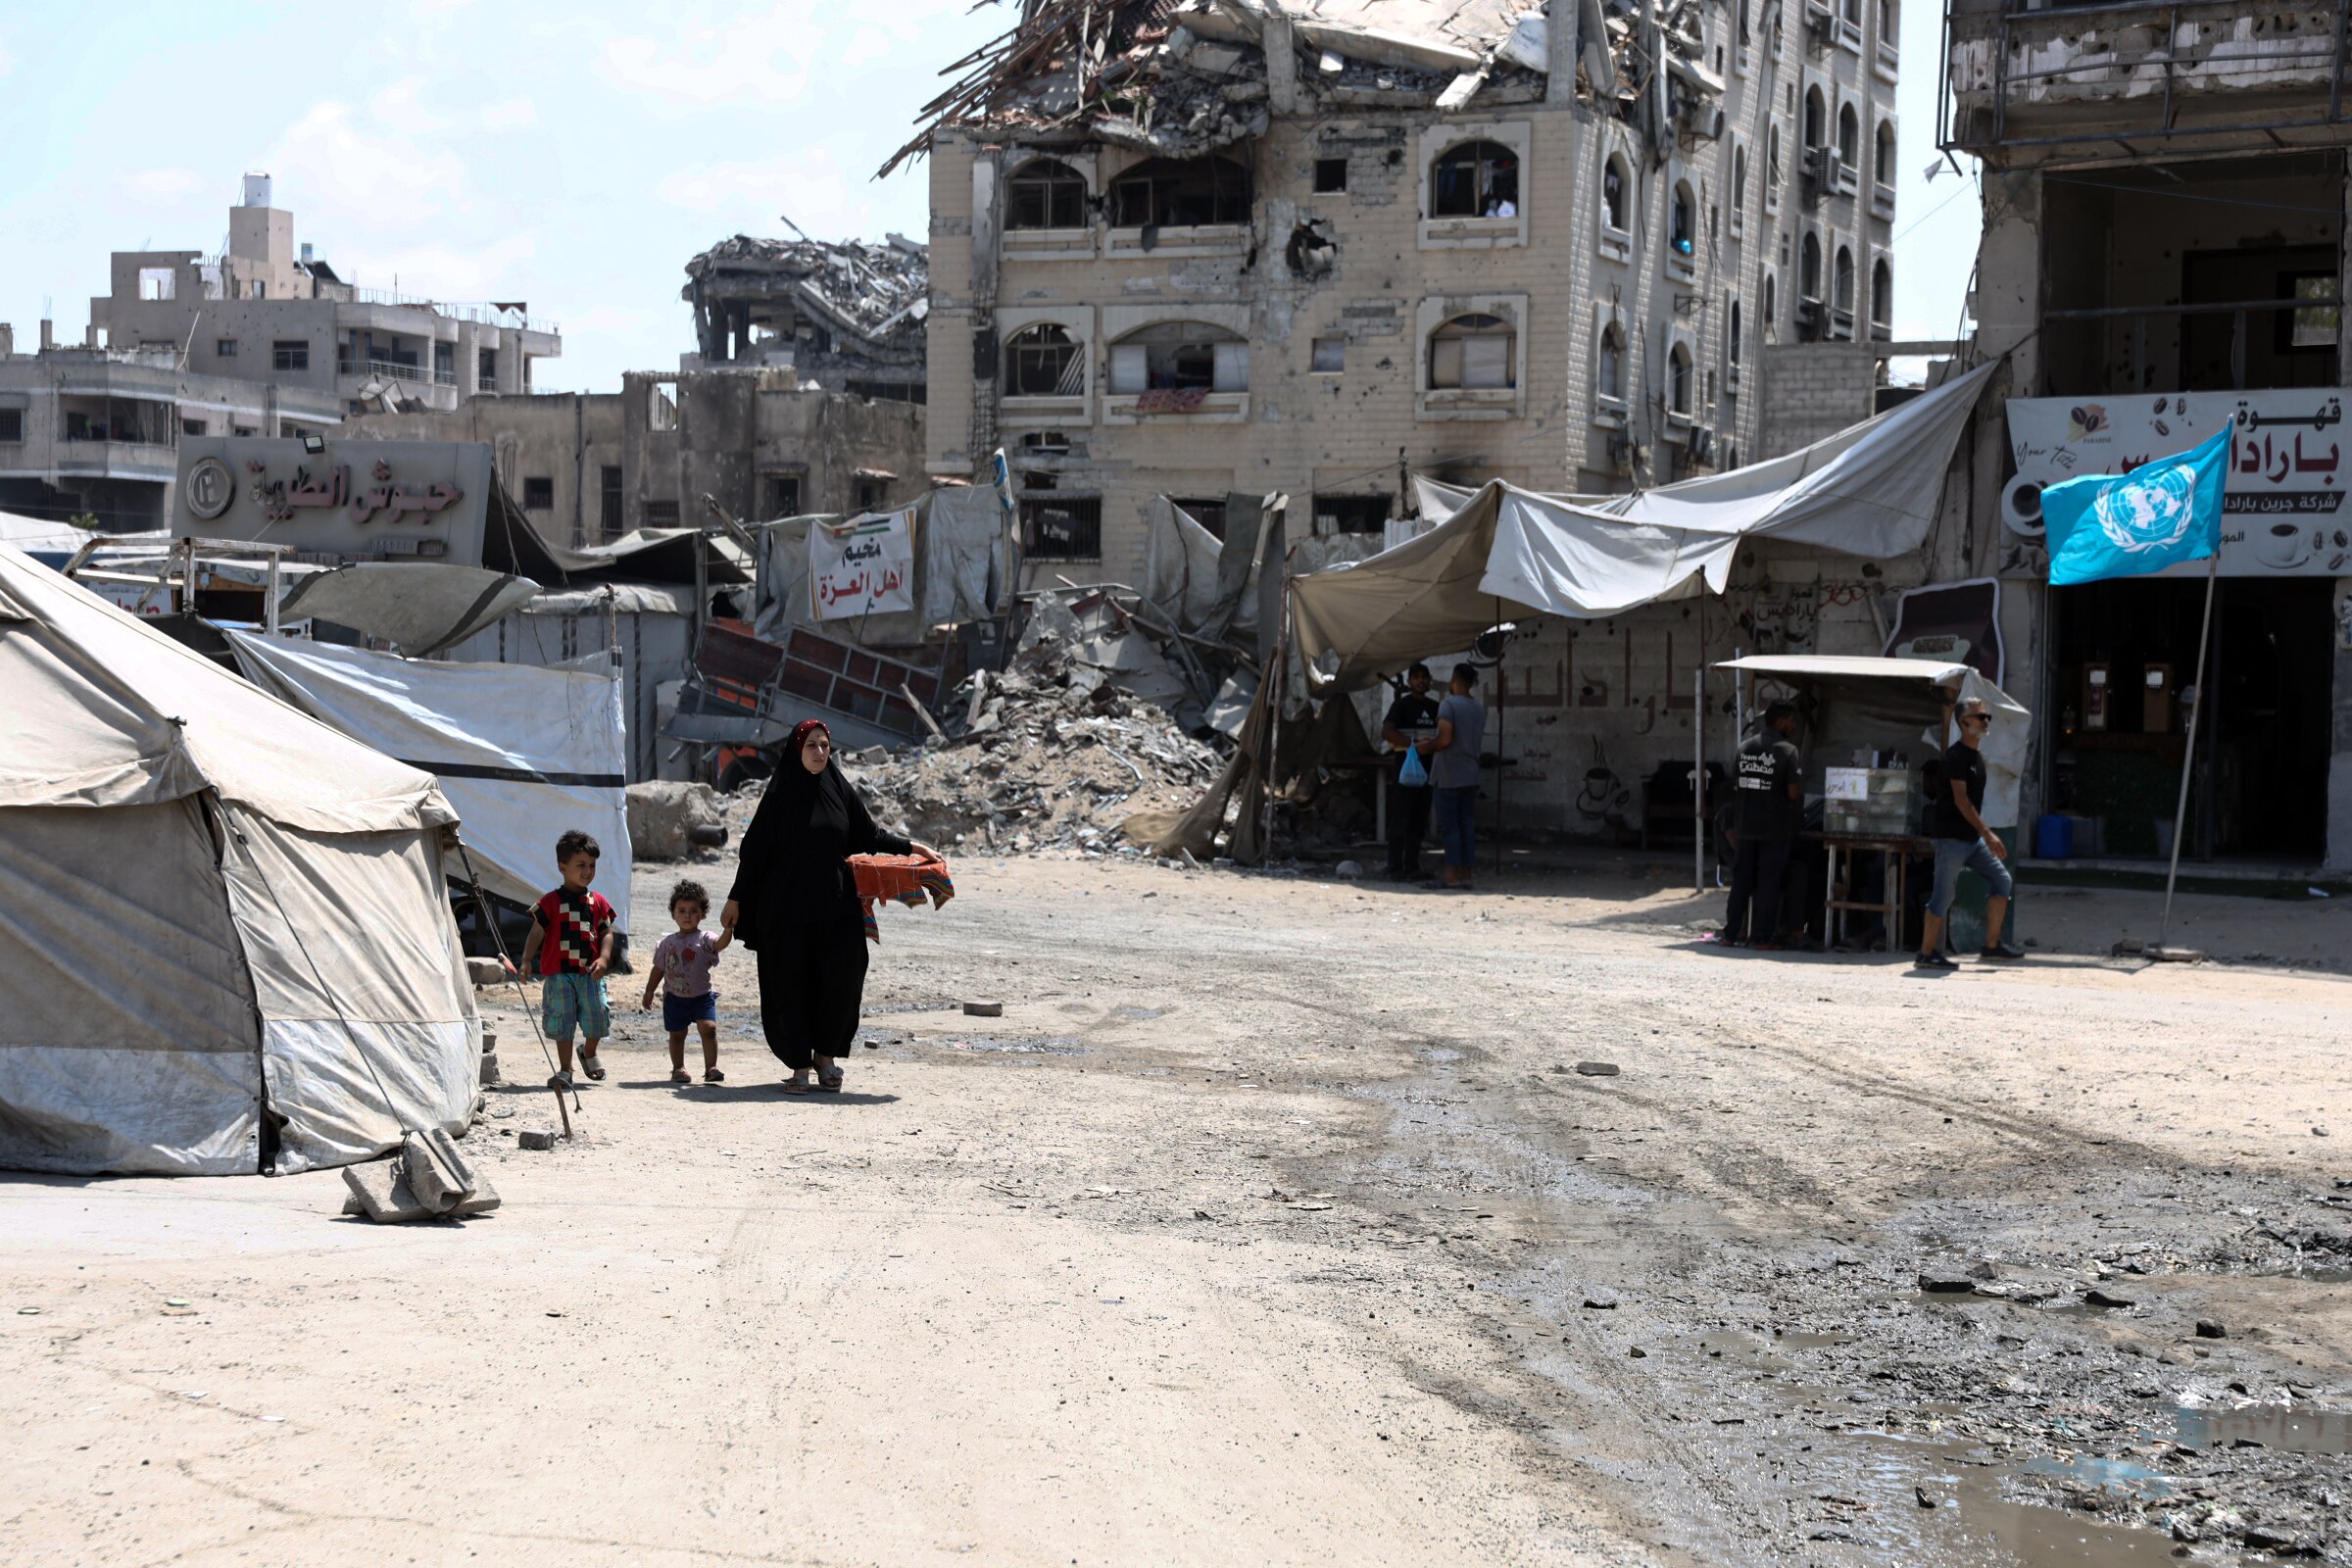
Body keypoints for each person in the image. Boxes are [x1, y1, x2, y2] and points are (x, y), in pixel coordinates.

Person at [722, 719, 939, 1094]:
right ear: (797, 749)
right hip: (786, 911)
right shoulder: (780, 795)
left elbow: (868, 833)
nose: (820, 752)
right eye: (812, 745)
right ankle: (799, 1066)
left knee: (844, 976)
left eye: (825, 745)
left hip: (836, 906)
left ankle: (825, 1057)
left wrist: (912, 847)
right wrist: (736, 898)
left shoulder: (837, 786)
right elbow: (754, 854)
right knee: (790, 984)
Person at [1916, 696, 2024, 969]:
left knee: (2002, 880)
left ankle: (1991, 946)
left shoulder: (1976, 757)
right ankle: (1926, 954)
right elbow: (1961, 800)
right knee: (1943, 896)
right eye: (1980, 717)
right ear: (1964, 723)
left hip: (1971, 840)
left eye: (1987, 717)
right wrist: (1988, 833)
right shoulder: (1955, 757)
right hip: (1951, 839)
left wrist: (1981, 835)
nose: (1986, 721)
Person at [516, 829, 616, 1084]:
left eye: (592, 865)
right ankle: (566, 1069)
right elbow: (536, 932)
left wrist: (604, 958)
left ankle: (589, 1051)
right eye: (581, 865)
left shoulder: (598, 902)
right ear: (562, 867)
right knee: (563, 1021)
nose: (588, 871)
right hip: (559, 974)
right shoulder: (550, 901)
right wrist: (526, 960)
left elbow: (606, 933)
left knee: (598, 1018)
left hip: (590, 974)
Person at [1724, 701, 1802, 949]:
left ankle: (1729, 934)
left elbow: (1737, 785)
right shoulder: (1788, 751)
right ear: (1780, 722)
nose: (1794, 726)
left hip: (1745, 827)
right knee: (1768, 883)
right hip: (1774, 830)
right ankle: (1761, 938)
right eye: (1791, 721)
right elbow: (1793, 793)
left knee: (1741, 882)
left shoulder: (1744, 747)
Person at [641, 878, 730, 1084]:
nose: (687, 916)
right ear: (673, 914)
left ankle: (711, 1068)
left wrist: (728, 930)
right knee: (677, 1034)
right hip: (675, 998)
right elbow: (658, 969)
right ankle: (678, 1068)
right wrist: (649, 991)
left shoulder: (705, 938)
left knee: (709, 1028)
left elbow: (720, 944)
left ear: (702, 914)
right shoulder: (667, 943)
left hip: (702, 997)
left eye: (693, 911)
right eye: (682, 911)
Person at [1419, 662, 1486, 890]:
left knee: (1450, 827)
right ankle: (1466, 874)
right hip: (1470, 773)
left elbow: (1445, 739)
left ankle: (1450, 874)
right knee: (1466, 824)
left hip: (1449, 774)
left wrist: (1427, 746)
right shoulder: (1478, 708)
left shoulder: (1448, 705)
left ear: (1454, 679)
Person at [1380, 662, 1441, 882]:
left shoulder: (1436, 707)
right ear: (1409, 681)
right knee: (1400, 819)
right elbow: (1387, 731)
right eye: (1416, 677)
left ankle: (1412, 866)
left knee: (1418, 821)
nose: (1421, 681)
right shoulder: (1401, 706)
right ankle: (1394, 867)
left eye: (1424, 677)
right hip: (1405, 772)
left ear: (1429, 680)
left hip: (1427, 772)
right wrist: (1412, 743)